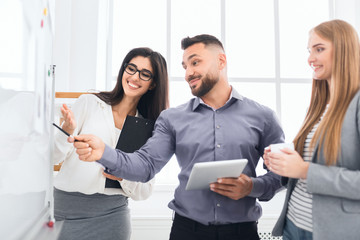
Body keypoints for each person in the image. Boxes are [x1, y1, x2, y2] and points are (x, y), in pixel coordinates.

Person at [72, 34, 285, 240]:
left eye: (195, 62)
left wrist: (252, 187)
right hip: (187, 232)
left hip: (242, 232)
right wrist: (104, 153)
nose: (188, 73)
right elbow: (145, 165)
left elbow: (281, 175)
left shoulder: (263, 117)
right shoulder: (172, 118)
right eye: (185, 66)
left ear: (221, 61)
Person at [53, 47, 169, 240]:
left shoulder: (150, 129)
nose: (134, 77)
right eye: (131, 68)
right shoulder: (89, 103)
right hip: (66, 211)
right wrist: (67, 130)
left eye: (145, 74)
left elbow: (144, 191)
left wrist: (122, 172)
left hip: (112, 215)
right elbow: (53, 157)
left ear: (153, 84)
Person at [264, 19, 360, 240]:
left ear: (345, 49)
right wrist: (284, 164)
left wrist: (305, 170)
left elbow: (309, 170)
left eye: (319, 49)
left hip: (331, 232)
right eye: (309, 50)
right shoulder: (318, 107)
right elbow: (309, 163)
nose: (310, 58)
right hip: (293, 226)